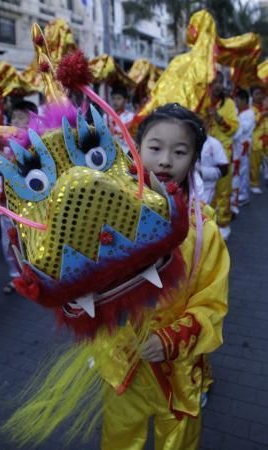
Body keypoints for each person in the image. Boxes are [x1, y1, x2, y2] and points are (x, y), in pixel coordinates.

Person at [101, 103, 229, 450]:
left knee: (180, 441)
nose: (166, 160)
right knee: (118, 438)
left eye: (180, 151)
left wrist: (171, 339)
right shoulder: (111, 218)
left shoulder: (205, 232)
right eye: (155, 148)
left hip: (179, 369)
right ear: (137, 149)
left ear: (194, 159)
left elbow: (212, 303)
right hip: (124, 363)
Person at [0, 100, 38, 294]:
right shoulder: (5, 144)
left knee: (28, 242)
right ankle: (16, 277)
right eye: (14, 117)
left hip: (26, 206)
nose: (16, 121)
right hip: (4, 205)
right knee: (8, 244)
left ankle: (34, 275)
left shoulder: (36, 144)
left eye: (21, 117)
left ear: (32, 120)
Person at [204, 71, 239, 240]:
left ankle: (224, 223)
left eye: (219, 82)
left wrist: (218, 118)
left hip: (223, 152)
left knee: (223, 189)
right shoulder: (201, 102)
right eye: (213, 82)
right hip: (203, 152)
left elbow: (234, 128)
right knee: (203, 189)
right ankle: (206, 222)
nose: (216, 85)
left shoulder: (229, 104)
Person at [233, 89, 255, 207]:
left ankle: (244, 195)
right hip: (235, 145)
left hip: (243, 145)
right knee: (236, 169)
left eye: (238, 100)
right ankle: (236, 193)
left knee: (243, 170)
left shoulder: (250, 114)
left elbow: (241, 129)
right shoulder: (236, 111)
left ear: (244, 101)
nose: (236, 102)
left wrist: (234, 124)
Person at [198, 133, 229, 205]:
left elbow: (224, 170)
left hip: (207, 190)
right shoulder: (182, 143)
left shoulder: (213, 143)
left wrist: (200, 172)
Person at [250, 86, 268, 194]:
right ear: (252, 96)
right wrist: (262, 115)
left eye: (261, 93)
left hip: (267, 138)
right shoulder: (251, 109)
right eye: (257, 94)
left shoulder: (265, 106)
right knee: (254, 164)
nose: (259, 96)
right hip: (256, 141)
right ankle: (253, 183)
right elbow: (252, 123)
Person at [106, 85, 134, 154]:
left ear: (126, 100)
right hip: (110, 150)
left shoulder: (131, 117)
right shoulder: (106, 116)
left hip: (126, 151)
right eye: (113, 98)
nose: (115, 101)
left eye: (119, 98)